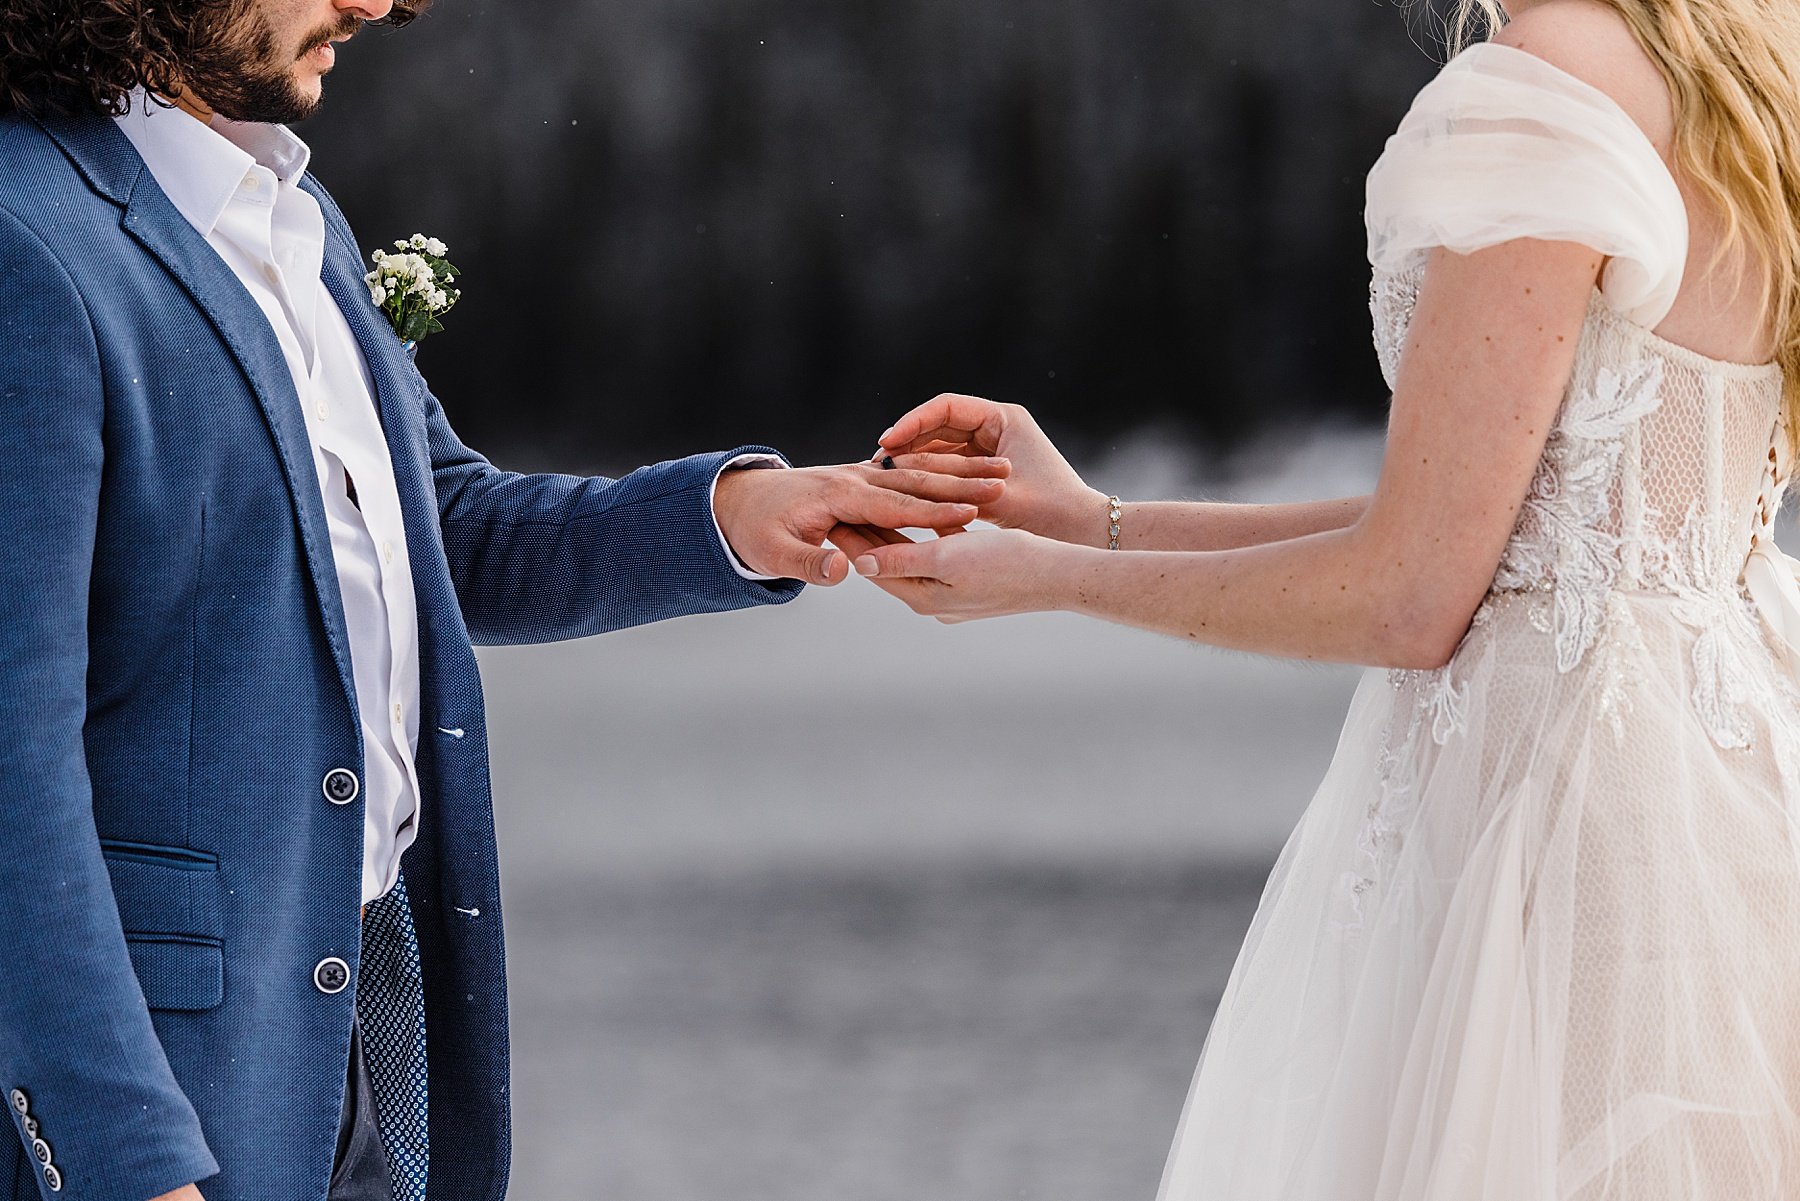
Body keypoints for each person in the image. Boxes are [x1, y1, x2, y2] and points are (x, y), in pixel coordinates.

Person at [0, 0, 1009, 1195]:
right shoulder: (29, 244)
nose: (381, 4)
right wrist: (127, 1161)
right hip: (175, 1088)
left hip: (372, 1017)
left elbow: (440, 530)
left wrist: (734, 518)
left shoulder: (296, 220)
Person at [842, 0, 1800, 1195]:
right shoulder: (1747, 63)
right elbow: (1507, 528)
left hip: (1559, 830)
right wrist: (1096, 522)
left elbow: (1412, 592)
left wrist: (1045, 580)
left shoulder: (1553, 76)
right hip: (1725, 801)